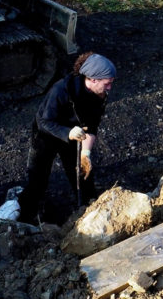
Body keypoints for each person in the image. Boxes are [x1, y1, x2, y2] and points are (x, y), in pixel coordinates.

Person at [17, 51, 116, 224]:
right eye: (107, 84)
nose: (110, 88)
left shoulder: (100, 95)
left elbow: (92, 126)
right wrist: (67, 133)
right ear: (93, 79)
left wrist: (86, 153)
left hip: (75, 136)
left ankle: (88, 208)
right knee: (37, 178)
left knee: (82, 173)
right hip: (46, 135)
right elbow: (44, 121)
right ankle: (26, 217)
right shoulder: (61, 89)